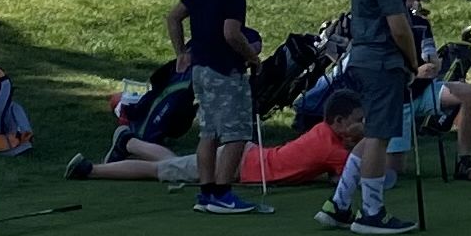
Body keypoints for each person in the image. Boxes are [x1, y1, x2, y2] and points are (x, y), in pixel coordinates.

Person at [318, 0, 429, 235]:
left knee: (373, 133)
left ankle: (339, 204)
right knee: (380, 137)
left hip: (366, 58)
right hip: (382, 59)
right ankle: (371, 213)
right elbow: (399, 26)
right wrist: (413, 61)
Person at [75, 95, 367, 198]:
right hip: (239, 164)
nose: (363, 125)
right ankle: (90, 170)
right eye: (358, 121)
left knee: (175, 164)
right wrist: (367, 141)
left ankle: (129, 141)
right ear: (339, 122)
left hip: (246, 157)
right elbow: (354, 177)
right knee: (161, 171)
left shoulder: (324, 133)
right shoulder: (333, 149)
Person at [168, 0, 266, 211]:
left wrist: (181, 52)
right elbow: (231, 33)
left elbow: (173, 17)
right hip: (225, 70)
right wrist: (252, 57)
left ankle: (207, 192)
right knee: (237, 133)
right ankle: (222, 194)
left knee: (208, 131)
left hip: (200, 69)